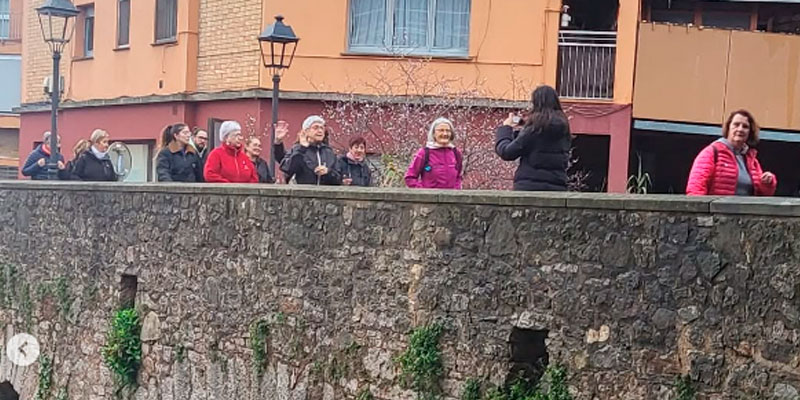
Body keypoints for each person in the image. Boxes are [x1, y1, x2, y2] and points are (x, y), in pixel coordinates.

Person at [495, 85, 571, 191]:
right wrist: (523, 130)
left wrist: (506, 128)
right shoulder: (564, 129)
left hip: (529, 188)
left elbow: (506, 152)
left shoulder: (534, 129)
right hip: (557, 188)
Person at [686, 109, 777, 196]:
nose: (740, 129)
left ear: (750, 132)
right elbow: (696, 187)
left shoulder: (752, 161)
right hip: (718, 211)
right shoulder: (712, 152)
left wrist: (767, 183)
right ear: (728, 127)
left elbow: (763, 195)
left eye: (745, 126)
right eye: (736, 124)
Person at [278, 116, 341, 185]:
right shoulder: (297, 149)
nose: (320, 131)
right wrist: (302, 148)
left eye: (322, 128)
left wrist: (328, 172)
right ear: (306, 131)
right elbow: (288, 169)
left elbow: (338, 179)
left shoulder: (329, 152)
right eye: (315, 128)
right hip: (302, 193)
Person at [404, 117, 463, 189]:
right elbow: (410, 178)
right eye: (441, 130)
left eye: (448, 131)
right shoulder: (424, 153)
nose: (445, 133)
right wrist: (424, 192)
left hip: (452, 199)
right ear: (434, 133)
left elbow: (458, 176)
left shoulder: (456, 153)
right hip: (429, 199)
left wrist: (457, 190)